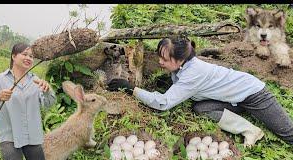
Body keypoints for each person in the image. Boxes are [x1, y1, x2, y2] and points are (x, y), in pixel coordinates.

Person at [107, 37, 293, 147]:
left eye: (164, 59)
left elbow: (163, 104)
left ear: (180, 60)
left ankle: (252, 114)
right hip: (233, 98)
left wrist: (132, 89)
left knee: (287, 133)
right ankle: (251, 130)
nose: (160, 62)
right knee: (202, 108)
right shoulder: (183, 66)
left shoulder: (193, 74)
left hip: (254, 94)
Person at [0, 43, 56, 160]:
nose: (29, 58)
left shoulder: (35, 81)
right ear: (13, 56)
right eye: (24, 54)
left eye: (31, 56)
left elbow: (48, 104)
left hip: (33, 137)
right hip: (9, 138)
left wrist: (47, 91)